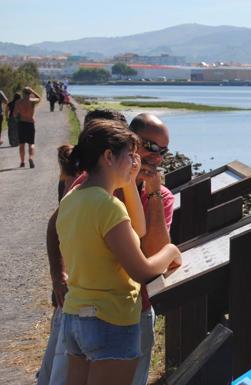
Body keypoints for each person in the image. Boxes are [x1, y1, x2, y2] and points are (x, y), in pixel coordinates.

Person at [41, 112, 176, 385]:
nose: (152, 158)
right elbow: (142, 270)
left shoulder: (75, 198)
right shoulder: (107, 204)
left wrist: (135, 185)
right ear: (109, 156)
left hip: (77, 316)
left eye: (163, 151)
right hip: (112, 318)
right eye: (143, 150)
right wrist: (172, 251)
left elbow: (137, 232)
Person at [14, 86, 41, 168]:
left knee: (21, 144)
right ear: (30, 94)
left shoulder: (18, 102)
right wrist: (32, 90)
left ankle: (22, 162)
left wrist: (18, 117)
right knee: (31, 144)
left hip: (21, 124)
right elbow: (39, 98)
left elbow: (15, 114)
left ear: (23, 93)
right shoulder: (32, 101)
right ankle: (31, 158)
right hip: (30, 123)